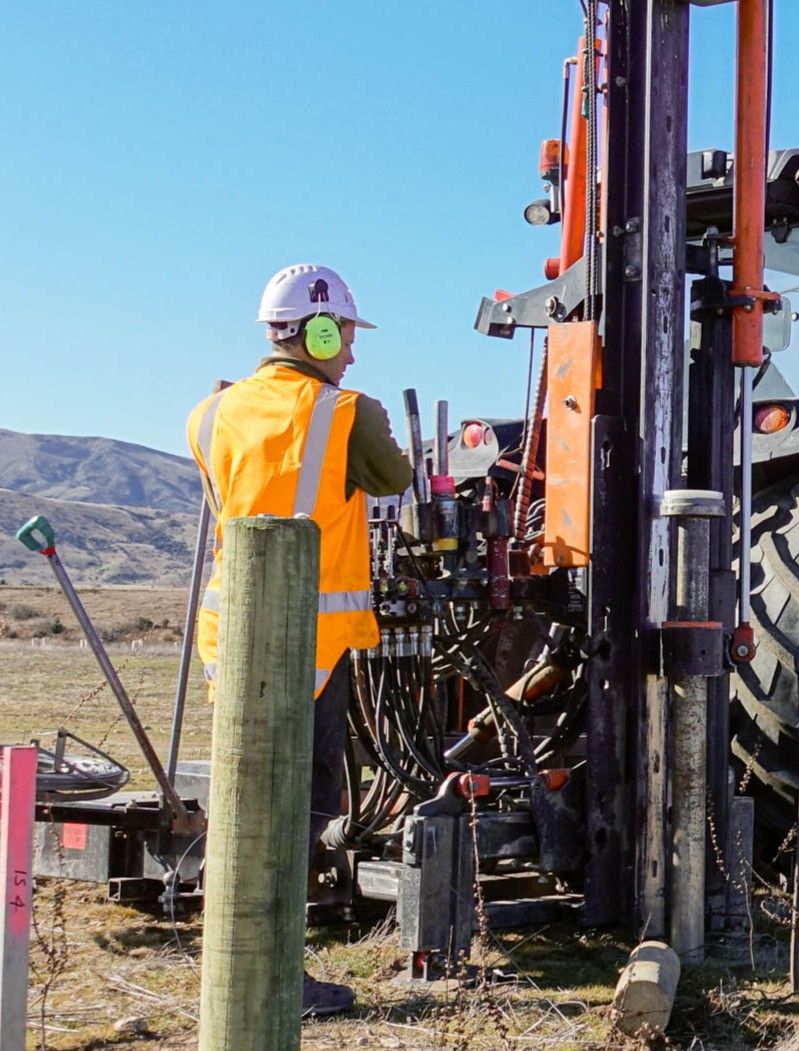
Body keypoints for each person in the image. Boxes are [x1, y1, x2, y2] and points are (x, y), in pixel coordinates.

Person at [186, 263, 413, 1016]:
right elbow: (394, 479)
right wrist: (361, 407)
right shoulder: (347, 412)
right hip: (309, 645)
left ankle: (232, 960)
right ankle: (277, 974)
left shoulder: (206, 415)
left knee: (243, 793)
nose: (351, 351)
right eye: (345, 335)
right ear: (318, 331)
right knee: (299, 807)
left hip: (230, 637)